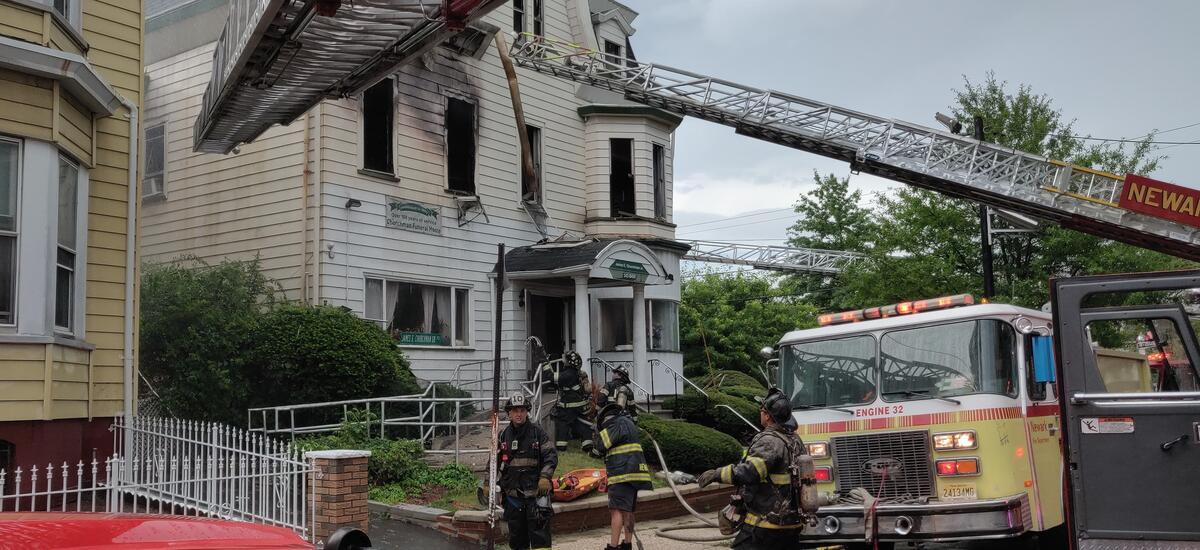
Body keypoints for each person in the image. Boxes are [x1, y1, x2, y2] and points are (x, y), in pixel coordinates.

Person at [697, 387, 808, 550]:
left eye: (762, 410)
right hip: (792, 524)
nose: (760, 413)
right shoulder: (795, 439)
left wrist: (716, 474)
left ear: (768, 416)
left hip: (766, 525)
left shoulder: (769, 441)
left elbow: (749, 473)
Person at [497, 392, 558, 550]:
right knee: (517, 542)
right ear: (509, 413)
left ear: (527, 412)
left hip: (536, 498)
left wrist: (545, 476)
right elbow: (494, 462)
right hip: (513, 498)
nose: (519, 414)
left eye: (522, 410)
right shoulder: (503, 436)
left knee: (541, 541)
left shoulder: (538, 433)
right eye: (515, 410)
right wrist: (486, 484)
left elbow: (551, 455)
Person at [592, 403, 652, 550]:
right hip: (636, 473)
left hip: (621, 474)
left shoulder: (615, 424)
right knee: (629, 510)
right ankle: (627, 544)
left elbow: (600, 445)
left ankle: (613, 546)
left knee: (616, 510)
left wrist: (595, 435)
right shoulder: (629, 423)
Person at [541, 350, 594, 453]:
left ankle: (561, 446)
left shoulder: (568, 374)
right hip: (581, 406)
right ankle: (587, 444)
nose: (563, 360)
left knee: (562, 423)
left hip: (569, 407)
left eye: (565, 359)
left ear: (569, 362)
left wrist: (545, 363)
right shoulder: (578, 373)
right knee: (582, 424)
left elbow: (551, 377)